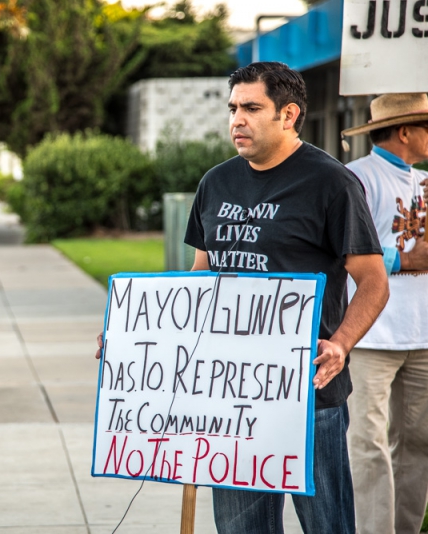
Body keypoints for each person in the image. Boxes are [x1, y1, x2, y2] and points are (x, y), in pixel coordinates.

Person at [183, 62, 388, 533]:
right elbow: (200, 277)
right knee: (241, 529)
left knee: (326, 525)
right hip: (228, 390)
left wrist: (341, 344)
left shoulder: (331, 182)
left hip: (307, 394)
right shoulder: (215, 183)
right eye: (233, 108)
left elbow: (374, 281)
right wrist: (138, 335)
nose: (237, 119)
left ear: (289, 114)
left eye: (252, 108)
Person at [341, 93, 428, 534]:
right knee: (367, 443)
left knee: (419, 443)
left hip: (423, 332)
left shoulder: (424, 180)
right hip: (371, 334)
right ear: (405, 131)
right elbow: (341, 251)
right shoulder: (355, 178)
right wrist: (407, 260)